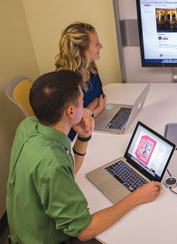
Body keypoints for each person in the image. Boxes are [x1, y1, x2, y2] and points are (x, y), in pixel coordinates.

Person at [6, 70, 162, 244]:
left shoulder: (27, 126)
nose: (85, 106)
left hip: (20, 234)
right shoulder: (53, 164)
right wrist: (137, 196)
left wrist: (83, 137)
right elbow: (85, 231)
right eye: (82, 102)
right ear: (71, 111)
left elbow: (67, 173)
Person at [55, 21, 106, 140]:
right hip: (75, 139)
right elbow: (75, 124)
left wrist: (88, 109)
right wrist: (96, 111)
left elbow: (100, 97)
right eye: (96, 44)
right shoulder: (64, 83)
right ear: (83, 51)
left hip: (89, 127)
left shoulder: (90, 68)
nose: (101, 46)